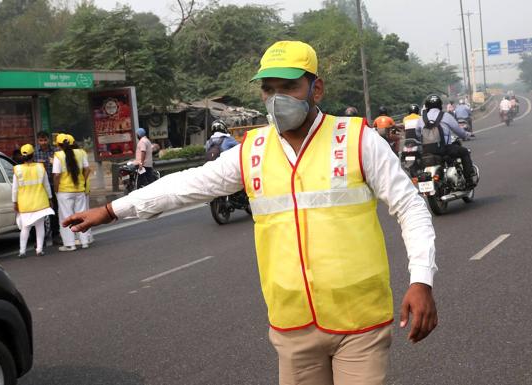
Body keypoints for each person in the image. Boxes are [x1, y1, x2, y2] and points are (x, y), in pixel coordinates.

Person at [63, 40, 437, 385]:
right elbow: (186, 185)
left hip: (360, 322)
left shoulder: (357, 140)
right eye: (268, 89)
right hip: (292, 327)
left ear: (316, 89)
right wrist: (113, 210)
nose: (276, 98)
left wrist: (421, 280)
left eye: (288, 87)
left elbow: (409, 206)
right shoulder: (252, 150)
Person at [416, 94, 476, 189]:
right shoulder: (445, 116)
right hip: (444, 149)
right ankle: (469, 180)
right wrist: (466, 135)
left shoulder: (421, 119)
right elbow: (458, 131)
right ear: (440, 105)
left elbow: (418, 134)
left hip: (427, 151)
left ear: (426, 106)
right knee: (464, 152)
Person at [12, 144, 54, 258]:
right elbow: (46, 185)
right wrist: (50, 198)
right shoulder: (40, 168)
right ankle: (39, 250)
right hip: (40, 202)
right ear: (33, 154)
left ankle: (22, 251)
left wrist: (14, 202)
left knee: (25, 227)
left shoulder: (18, 169)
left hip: (24, 203)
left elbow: (15, 189)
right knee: (40, 226)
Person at [53, 133, 92, 251]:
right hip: (79, 190)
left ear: (59, 145)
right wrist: (83, 181)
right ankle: (84, 242)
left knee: (66, 218)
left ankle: (70, 244)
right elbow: (87, 169)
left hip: (64, 191)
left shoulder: (58, 155)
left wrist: (56, 190)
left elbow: (56, 175)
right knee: (81, 216)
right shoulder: (80, 153)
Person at [35, 131, 62, 245]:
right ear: (38, 141)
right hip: (40, 187)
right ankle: (41, 238)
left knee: (54, 211)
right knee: (40, 213)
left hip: (53, 184)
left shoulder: (55, 151)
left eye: (45, 140)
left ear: (49, 140)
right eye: (41, 140)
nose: (43, 142)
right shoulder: (35, 153)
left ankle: (56, 235)